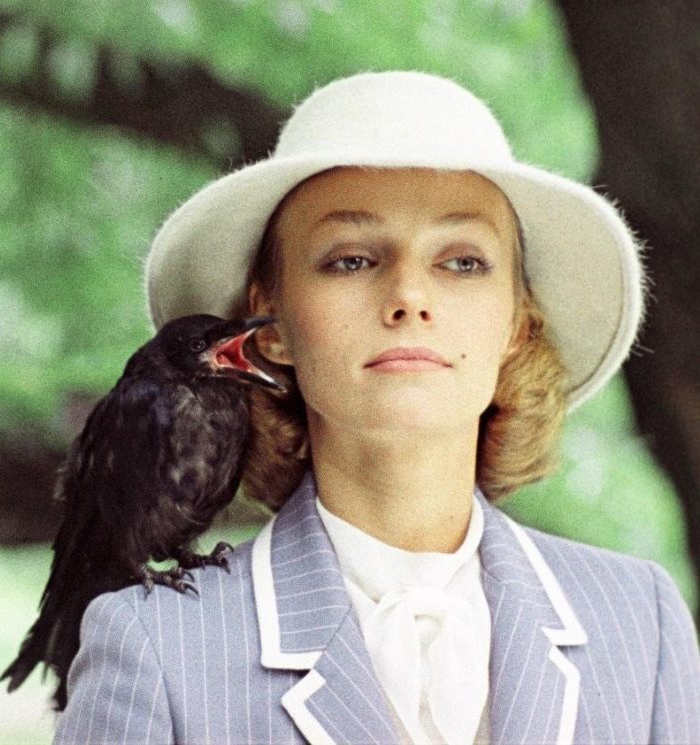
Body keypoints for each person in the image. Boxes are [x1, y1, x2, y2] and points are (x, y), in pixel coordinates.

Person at [53, 71, 700, 744]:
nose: (409, 296)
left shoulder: (643, 623)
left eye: (463, 262)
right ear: (269, 325)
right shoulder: (156, 647)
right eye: (352, 259)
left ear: (516, 321)